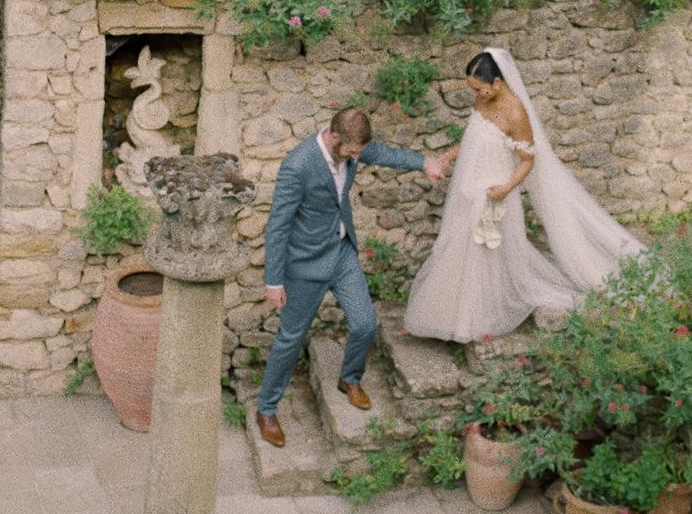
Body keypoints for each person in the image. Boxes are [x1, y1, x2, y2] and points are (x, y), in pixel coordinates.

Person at [402, 47, 643, 343]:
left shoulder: (516, 113)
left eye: (480, 88)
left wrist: (505, 189)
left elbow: (528, 160)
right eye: (472, 89)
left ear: (498, 83)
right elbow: (473, 139)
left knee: (482, 254)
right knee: (456, 248)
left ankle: (472, 322)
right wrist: (448, 157)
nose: (476, 94)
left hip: (496, 195)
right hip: (469, 189)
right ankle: (441, 318)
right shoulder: (483, 103)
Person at [255, 107, 448, 448]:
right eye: (352, 152)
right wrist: (274, 281)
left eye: (359, 151)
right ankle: (266, 409)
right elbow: (277, 226)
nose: (358, 157)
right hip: (304, 265)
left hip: (342, 252)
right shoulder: (297, 165)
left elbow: (384, 154)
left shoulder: (352, 143)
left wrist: (425, 162)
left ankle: (349, 378)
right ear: (332, 136)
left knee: (365, 324)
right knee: (290, 338)